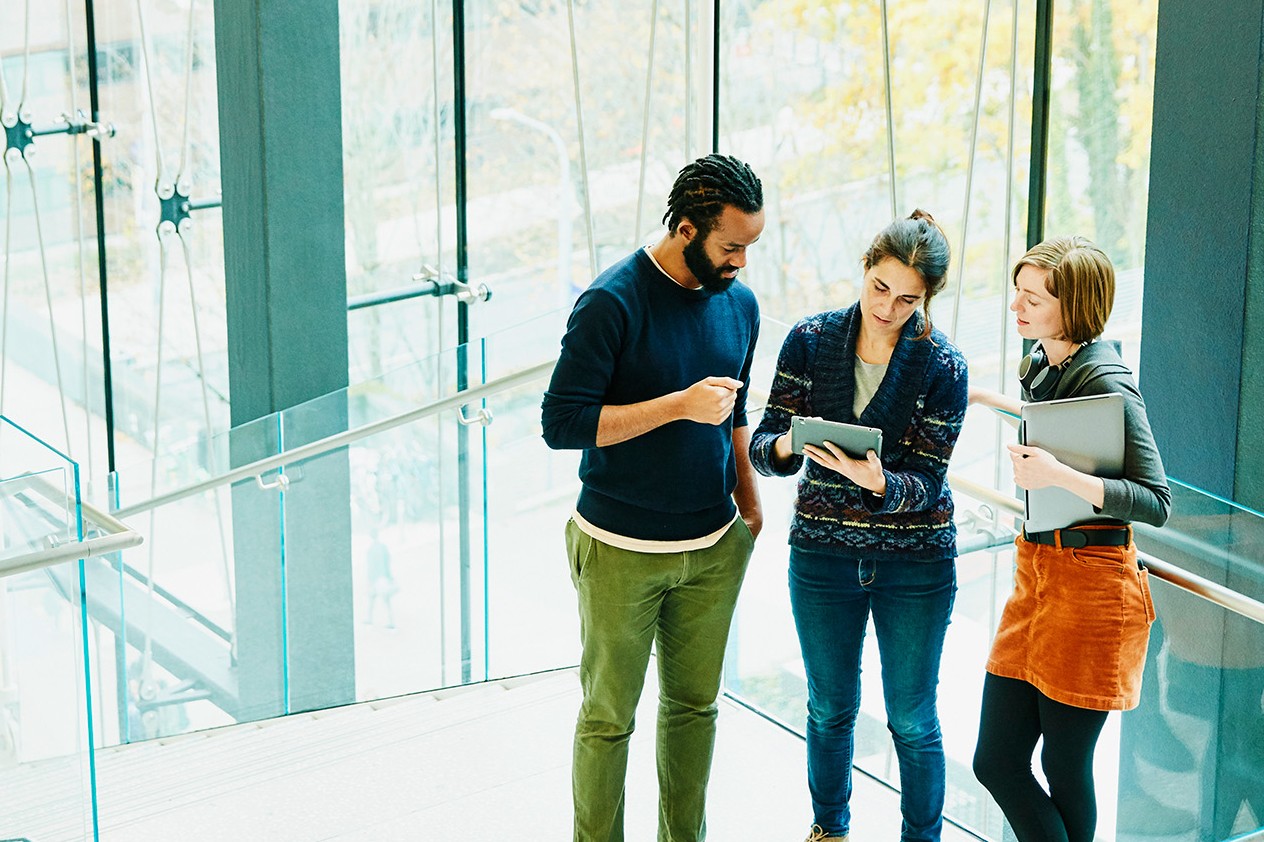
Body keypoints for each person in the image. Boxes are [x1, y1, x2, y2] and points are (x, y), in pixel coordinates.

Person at [540, 152, 765, 842]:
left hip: (713, 546)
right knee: (609, 719)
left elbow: (733, 414)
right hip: (618, 551)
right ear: (689, 227)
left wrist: (749, 507)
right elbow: (562, 425)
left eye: (749, 248)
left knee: (696, 709)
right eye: (730, 247)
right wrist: (675, 406)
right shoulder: (612, 302)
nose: (740, 264)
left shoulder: (741, 305)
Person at [748, 210, 968, 842]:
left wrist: (879, 484)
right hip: (822, 557)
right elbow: (763, 448)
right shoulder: (810, 340)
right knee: (829, 708)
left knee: (912, 718)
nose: (888, 307)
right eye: (880, 288)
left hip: (915, 565)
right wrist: (791, 443)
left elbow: (928, 483)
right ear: (865, 269)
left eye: (908, 299)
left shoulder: (943, 367)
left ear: (927, 298)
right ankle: (829, 830)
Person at [969, 236, 1171, 842]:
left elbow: (1156, 500)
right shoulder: (1050, 363)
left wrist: (1056, 477)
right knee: (996, 760)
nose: (1016, 308)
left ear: (1073, 305)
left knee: (1062, 765)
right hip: (1039, 578)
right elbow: (1062, 426)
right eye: (1017, 292)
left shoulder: (1107, 378)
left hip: (1091, 590)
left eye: (1033, 298)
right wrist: (986, 399)